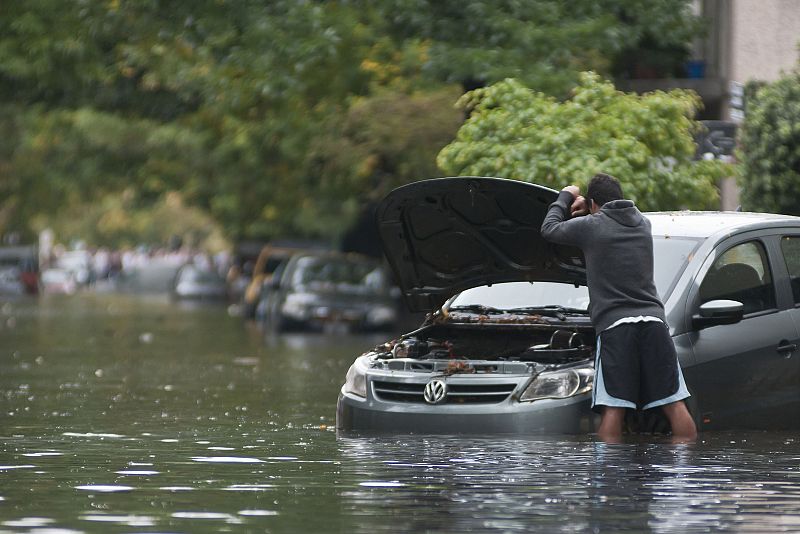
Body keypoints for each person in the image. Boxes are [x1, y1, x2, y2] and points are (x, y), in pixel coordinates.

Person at [540, 173, 697, 442]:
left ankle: (610, 475)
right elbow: (605, 223)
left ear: (592, 204)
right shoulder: (642, 223)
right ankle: (682, 471)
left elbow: (549, 229)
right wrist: (586, 209)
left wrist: (566, 196)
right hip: (654, 324)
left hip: (616, 328)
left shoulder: (591, 226)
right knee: (674, 404)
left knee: (614, 408)